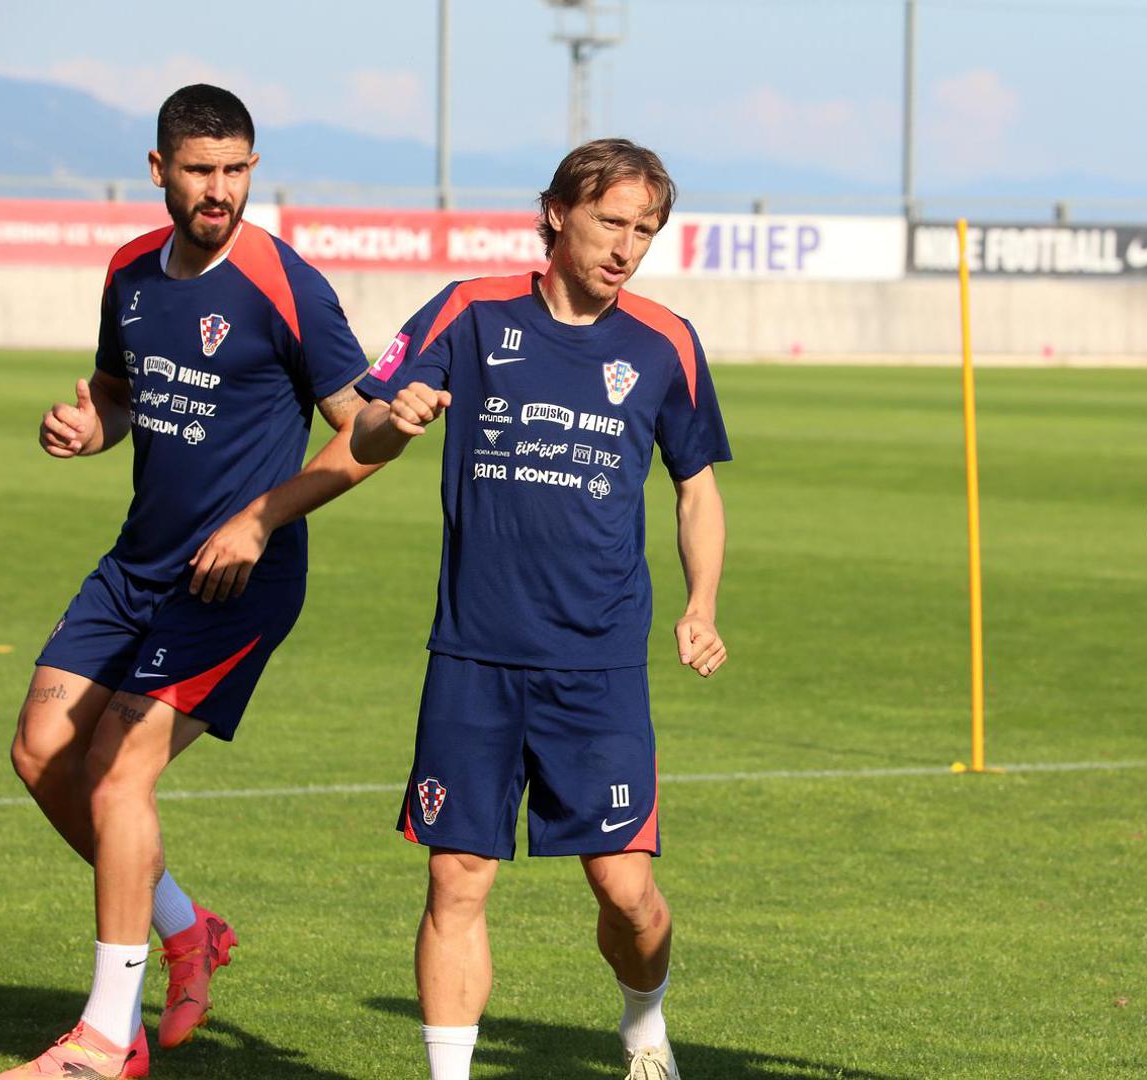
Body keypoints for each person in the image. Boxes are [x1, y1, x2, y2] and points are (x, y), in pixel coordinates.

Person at [0, 84, 378, 1078]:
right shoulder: (130, 272)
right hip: (138, 564)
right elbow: (117, 398)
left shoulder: (286, 284)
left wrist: (259, 519)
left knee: (119, 772)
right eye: (201, 170)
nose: (220, 190)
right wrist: (86, 428)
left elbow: (364, 435)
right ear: (160, 169)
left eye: (236, 170)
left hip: (235, 584)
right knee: (41, 753)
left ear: (253, 169)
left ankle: (106, 1038)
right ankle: (185, 928)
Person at [350, 138, 730, 1080]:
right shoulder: (470, 311)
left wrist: (702, 605)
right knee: (456, 878)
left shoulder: (666, 342)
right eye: (612, 222)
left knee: (627, 892)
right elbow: (365, 424)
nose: (627, 248)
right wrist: (394, 420)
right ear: (557, 213)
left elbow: (695, 487)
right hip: (474, 656)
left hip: (598, 663)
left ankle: (644, 1022)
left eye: (645, 231)